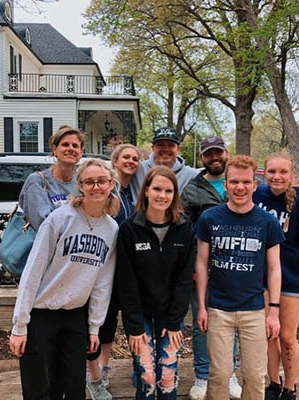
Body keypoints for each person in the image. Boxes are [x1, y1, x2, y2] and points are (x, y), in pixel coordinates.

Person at [9, 158, 119, 400]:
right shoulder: (60, 218)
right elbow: (33, 271)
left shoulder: (111, 229)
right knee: (39, 389)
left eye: (102, 181)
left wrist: (94, 327)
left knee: (73, 388)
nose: (96, 187)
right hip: (40, 314)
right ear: (79, 186)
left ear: (112, 184)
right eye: (89, 182)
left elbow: (102, 283)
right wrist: (19, 325)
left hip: (74, 316)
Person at [195, 155, 284, 400]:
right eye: (234, 182)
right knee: (219, 375)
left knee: (256, 376)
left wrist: (273, 311)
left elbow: (275, 268)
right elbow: (201, 265)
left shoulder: (268, 222)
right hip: (219, 309)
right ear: (226, 184)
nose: (240, 187)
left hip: (254, 309)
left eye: (246, 182)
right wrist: (201, 307)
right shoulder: (210, 219)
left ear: (255, 185)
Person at [117, 166, 195, 399]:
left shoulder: (184, 229)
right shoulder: (130, 229)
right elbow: (126, 281)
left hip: (170, 313)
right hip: (139, 313)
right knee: (147, 375)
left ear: (174, 195)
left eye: (168, 190)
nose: (162, 195)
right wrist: (134, 325)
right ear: (146, 191)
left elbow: (184, 279)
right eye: (157, 189)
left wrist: (174, 322)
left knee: (167, 376)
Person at [253, 152, 299, 400]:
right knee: (268, 333)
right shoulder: (258, 195)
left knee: (287, 336)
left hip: (293, 278)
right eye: (272, 171)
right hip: (263, 277)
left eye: (283, 172)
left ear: (292, 175)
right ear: (264, 172)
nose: (277, 176)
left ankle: (290, 387)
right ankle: (273, 382)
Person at [181, 137, 242, 399]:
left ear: (226, 154)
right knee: (201, 322)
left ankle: (229, 373)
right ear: (203, 158)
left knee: (234, 321)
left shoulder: (240, 183)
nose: (214, 158)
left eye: (218, 152)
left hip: (237, 266)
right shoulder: (193, 189)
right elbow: (184, 230)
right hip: (203, 265)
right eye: (209, 154)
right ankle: (202, 375)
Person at [86, 144, 141, 400]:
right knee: (103, 324)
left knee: (129, 323)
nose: (131, 161)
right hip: (102, 270)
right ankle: (98, 374)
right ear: (115, 161)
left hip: (127, 271)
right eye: (126, 157)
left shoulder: (134, 191)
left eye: (135, 158)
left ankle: (133, 369)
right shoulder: (109, 191)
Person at [19, 125, 85, 231]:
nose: (70, 149)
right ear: (55, 149)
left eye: (75, 146)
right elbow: (43, 224)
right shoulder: (38, 181)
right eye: (65, 144)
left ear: (81, 152)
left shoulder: (83, 183)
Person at [129, 127, 199, 202]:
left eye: (171, 145)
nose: (165, 149)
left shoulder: (193, 175)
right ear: (153, 148)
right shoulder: (137, 169)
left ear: (178, 149)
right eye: (160, 145)